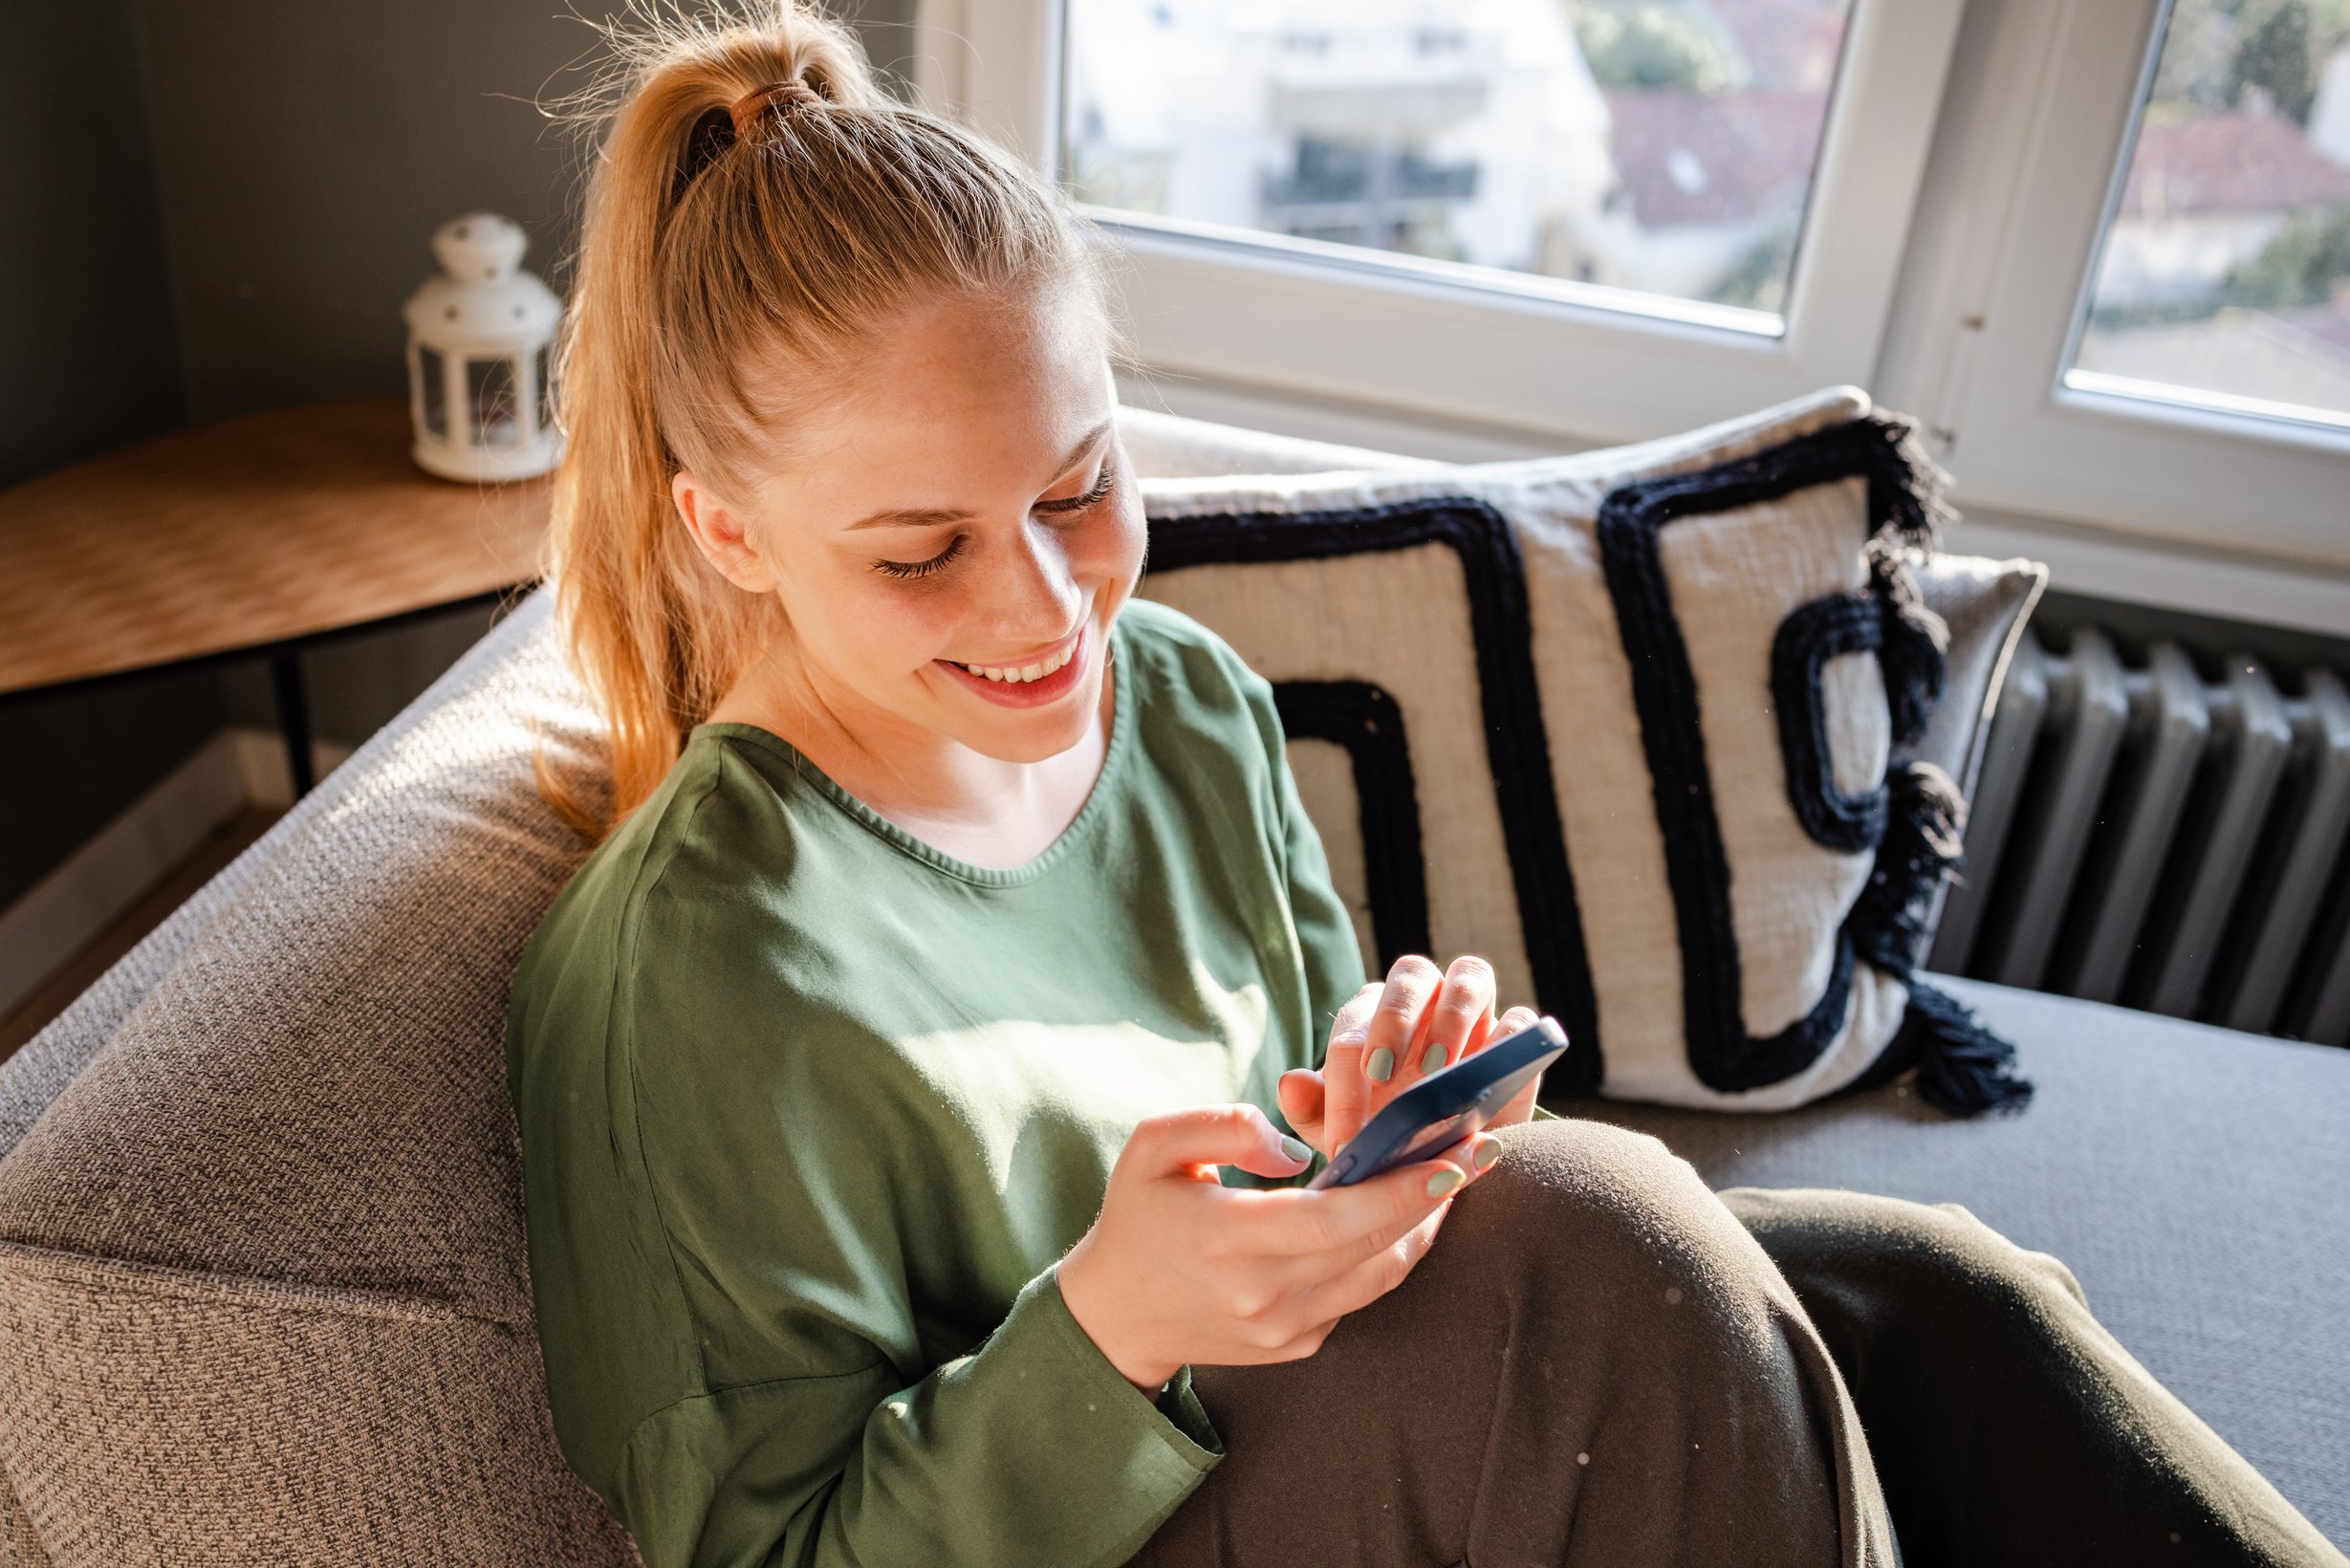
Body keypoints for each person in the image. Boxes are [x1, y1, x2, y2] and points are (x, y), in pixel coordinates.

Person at [503, 6, 2347, 1566]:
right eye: (923, 553)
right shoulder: (691, 976)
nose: (1049, 602)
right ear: (726, 529)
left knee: (1934, 1294)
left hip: (1296, 1418)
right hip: (1109, 1523)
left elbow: (1298, 1129)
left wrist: (1372, 1094)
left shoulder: (1182, 705)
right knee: (1612, 1248)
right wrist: (1108, 1326)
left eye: (1077, 487)